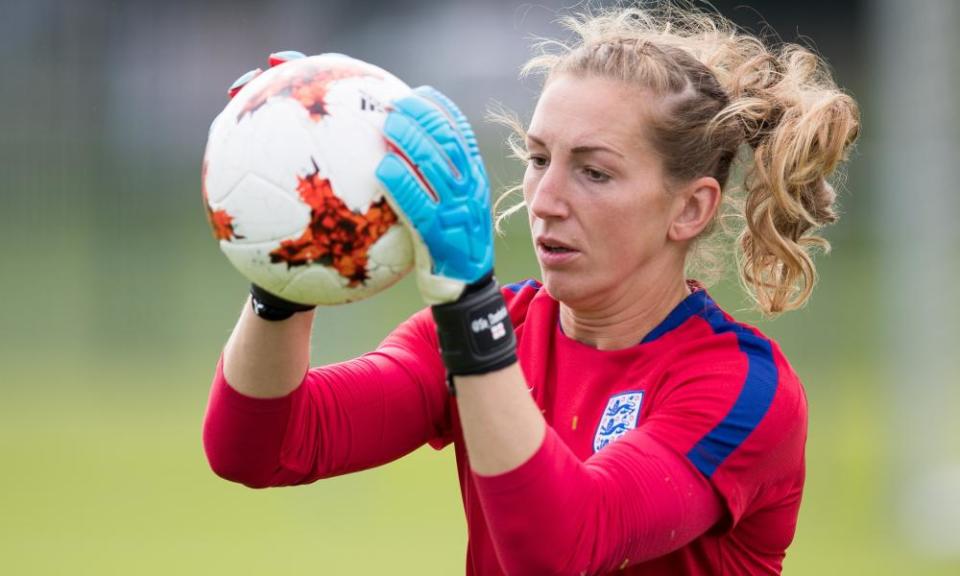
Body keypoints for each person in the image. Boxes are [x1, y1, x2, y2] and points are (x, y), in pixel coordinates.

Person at [203, 5, 859, 575]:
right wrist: (290, 266)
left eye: (594, 172)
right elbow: (258, 447)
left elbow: (561, 548)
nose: (543, 200)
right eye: (539, 158)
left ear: (690, 209)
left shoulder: (741, 388)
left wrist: (469, 310)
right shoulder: (502, 328)